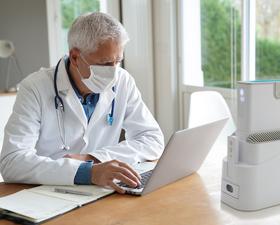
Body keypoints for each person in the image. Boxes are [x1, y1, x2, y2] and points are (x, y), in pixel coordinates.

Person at [0, 12, 164, 194]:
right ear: (76, 57)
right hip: (47, 192)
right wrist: (87, 172)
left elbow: (152, 139)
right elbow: (12, 162)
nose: (113, 73)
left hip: (102, 190)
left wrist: (93, 158)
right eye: (105, 63)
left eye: (118, 61)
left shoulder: (123, 81)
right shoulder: (35, 88)